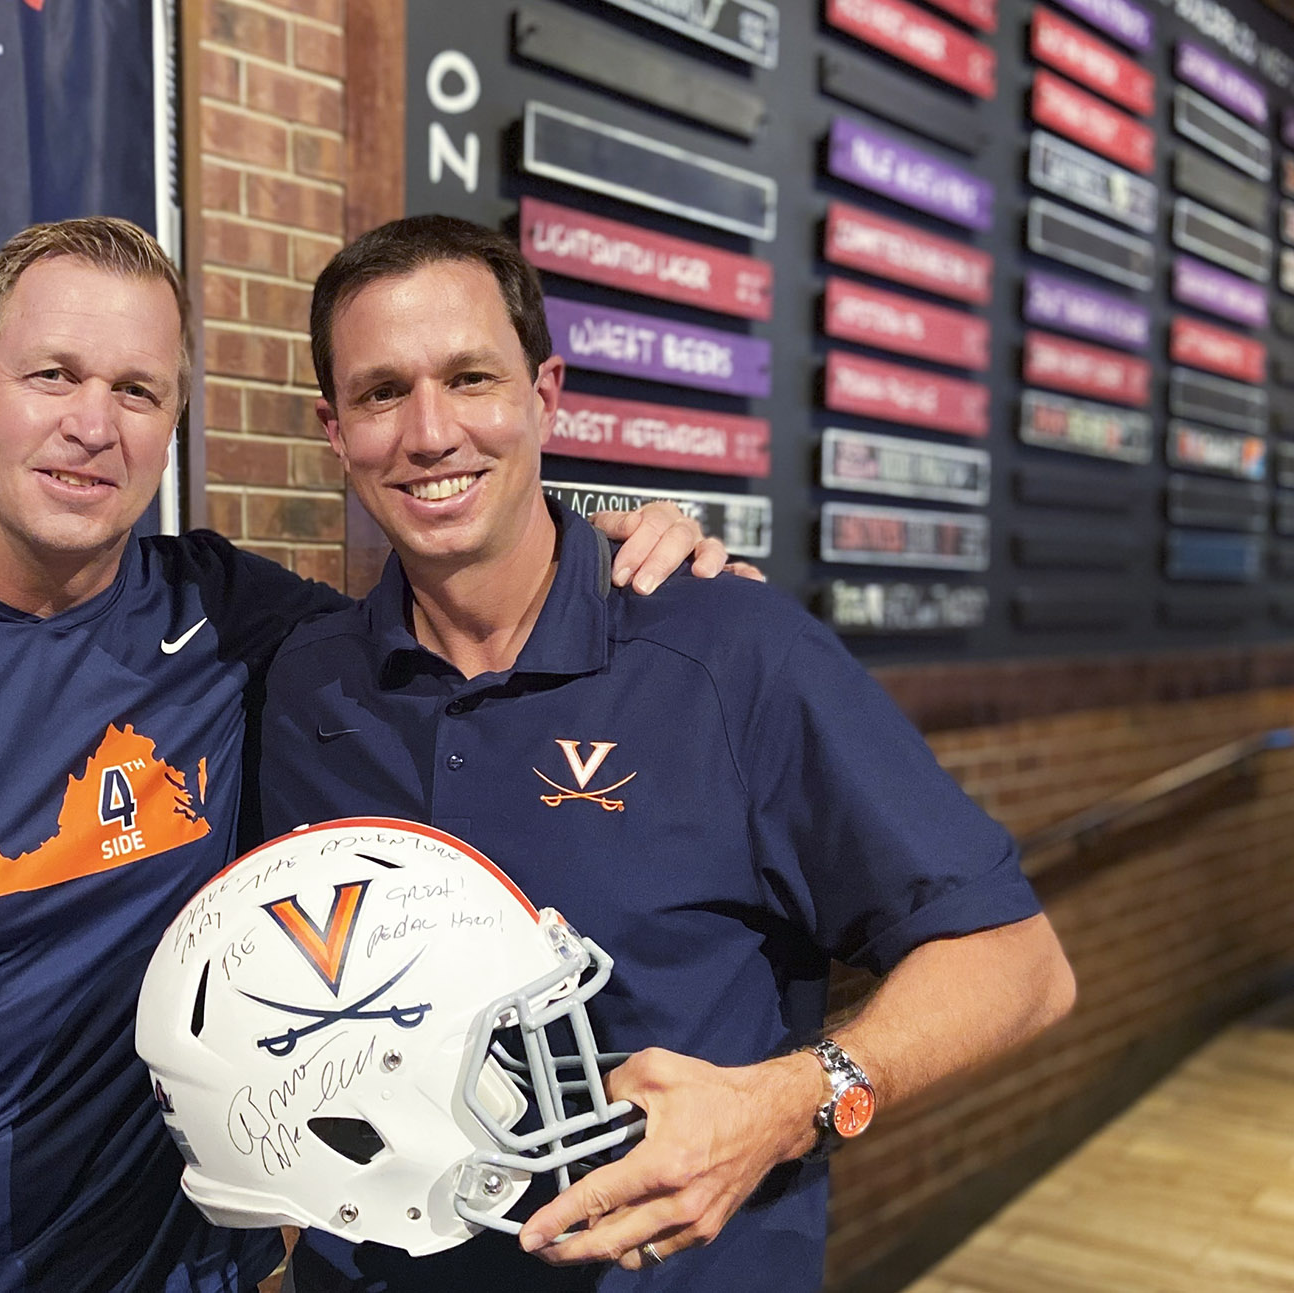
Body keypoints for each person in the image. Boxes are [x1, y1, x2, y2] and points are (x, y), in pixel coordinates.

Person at [0, 216, 730, 1293]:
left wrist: (604, 539)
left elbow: (460, 596)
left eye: (136, 390)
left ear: (174, 420)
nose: (93, 424)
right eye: (53, 375)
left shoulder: (231, 618)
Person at [253, 216, 1078, 1292]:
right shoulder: (295, 682)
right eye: (378, 393)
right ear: (331, 427)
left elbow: (1019, 965)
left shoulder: (729, 651)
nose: (428, 430)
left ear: (544, 394)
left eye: (469, 377)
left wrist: (787, 1103)